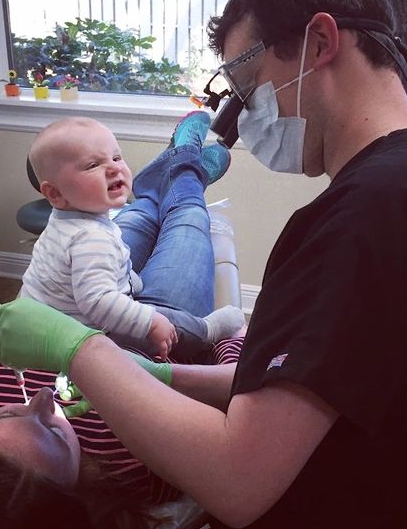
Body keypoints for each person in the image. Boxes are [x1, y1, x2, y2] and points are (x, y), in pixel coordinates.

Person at [0, 0, 407, 529]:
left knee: (164, 200)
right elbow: (314, 389)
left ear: (321, 43)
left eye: (248, 85)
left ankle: (183, 170)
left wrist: (79, 348)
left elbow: (237, 481)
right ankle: (184, 170)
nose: (245, 115)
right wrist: (167, 378)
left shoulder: (370, 216)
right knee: (168, 198)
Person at [0, 318, 243, 529]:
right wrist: (234, 341)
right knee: (179, 209)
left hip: (54, 307)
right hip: (149, 331)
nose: (43, 396)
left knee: (104, 224)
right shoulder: (141, 462)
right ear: (80, 494)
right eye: (52, 432)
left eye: (7, 413)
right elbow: (233, 392)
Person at [20, 114, 244, 359]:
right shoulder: (90, 239)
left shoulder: (69, 220)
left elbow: (105, 267)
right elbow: (99, 302)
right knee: (185, 213)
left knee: (146, 209)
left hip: (56, 321)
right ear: (54, 193)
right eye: (93, 165)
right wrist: (151, 322)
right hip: (92, 338)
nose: (115, 167)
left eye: (116, 157)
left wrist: (127, 279)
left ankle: (182, 172)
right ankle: (207, 330)